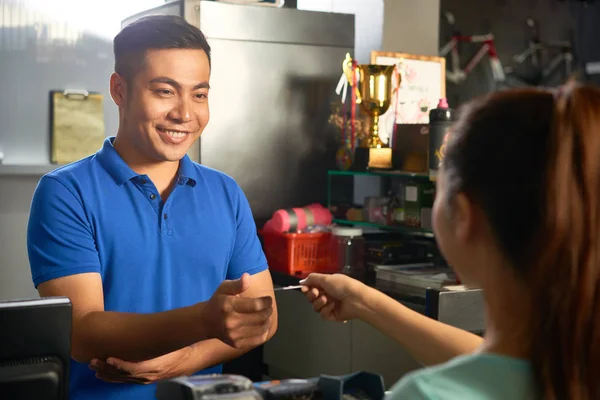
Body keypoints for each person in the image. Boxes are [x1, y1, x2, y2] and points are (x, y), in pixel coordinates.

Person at [27, 15, 277, 400]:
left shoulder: (225, 192)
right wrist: (202, 320)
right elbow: (82, 333)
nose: (185, 114)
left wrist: (181, 363)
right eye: (164, 91)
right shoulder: (65, 193)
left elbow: (264, 315)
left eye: (199, 94)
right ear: (119, 90)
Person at [302, 82, 600, 399]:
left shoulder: (424, 395)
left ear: (462, 214)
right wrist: (365, 302)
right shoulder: (571, 367)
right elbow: (495, 366)